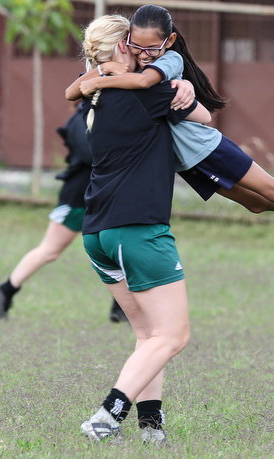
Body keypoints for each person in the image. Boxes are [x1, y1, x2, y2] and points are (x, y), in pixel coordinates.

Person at [66, 4, 274, 260]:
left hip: (205, 149)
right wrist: (104, 71)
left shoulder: (165, 64)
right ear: (127, 43)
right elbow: (72, 91)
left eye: (151, 47)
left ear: (169, 42)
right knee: (256, 203)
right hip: (187, 163)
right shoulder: (123, 71)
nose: (143, 53)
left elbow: (185, 106)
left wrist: (101, 80)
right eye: (136, 46)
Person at [75, 14, 211, 444]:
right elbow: (205, 119)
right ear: (120, 49)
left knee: (148, 336)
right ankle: (106, 416)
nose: (142, 54)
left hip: (97, 233)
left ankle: (152, 429)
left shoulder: (89, 96)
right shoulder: (146, 93)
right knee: (174, 335)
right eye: (134, 47)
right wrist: (182, 87)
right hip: (138, 229)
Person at [0, 105, 128, 323]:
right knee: (50, 250)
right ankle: (7, 289)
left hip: (106, 197)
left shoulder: (110, 116)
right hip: (78, 197)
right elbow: (91, 154)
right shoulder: (82, 119)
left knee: (120, 249)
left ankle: (121, 308)